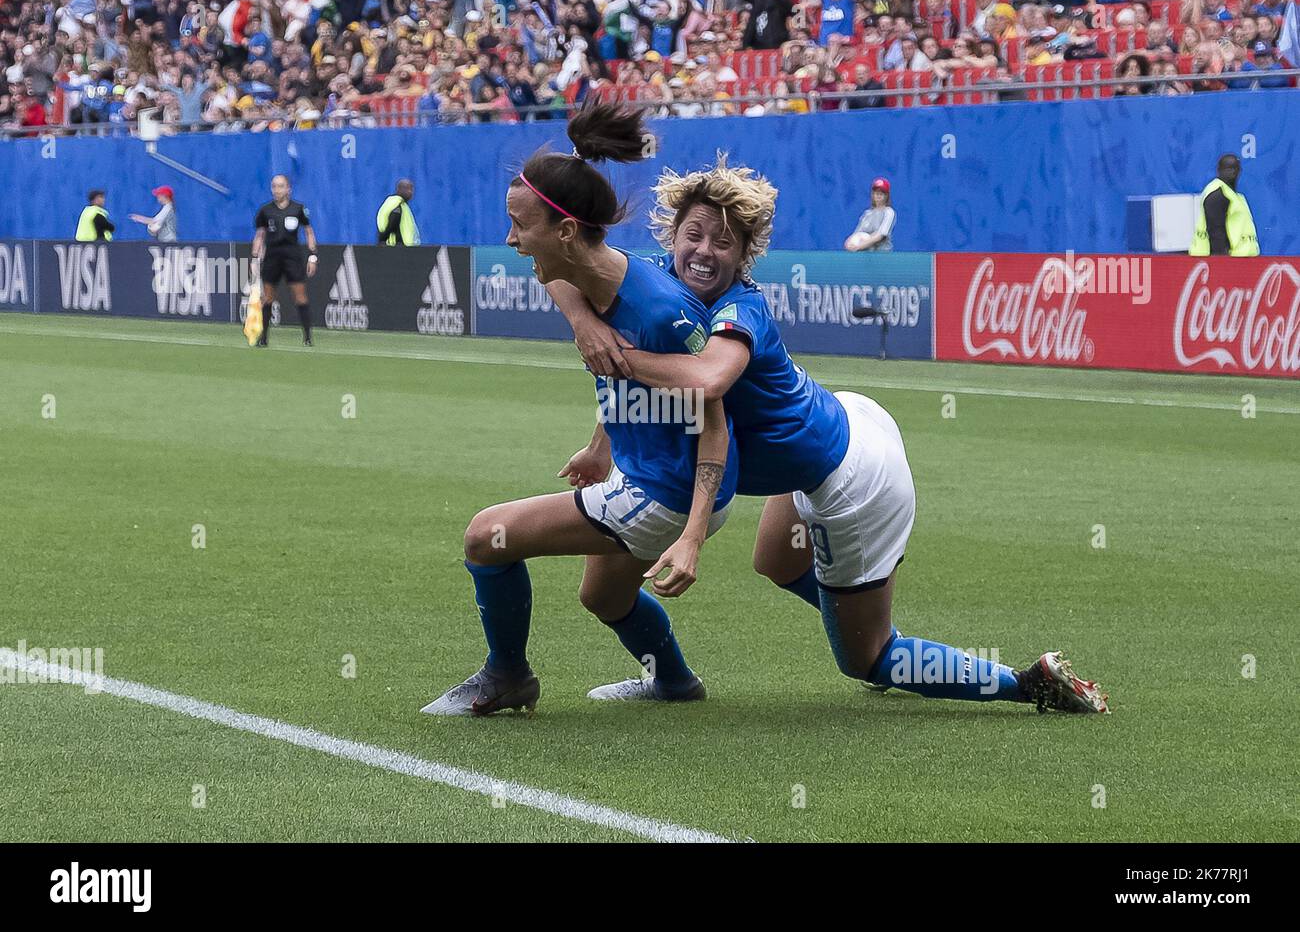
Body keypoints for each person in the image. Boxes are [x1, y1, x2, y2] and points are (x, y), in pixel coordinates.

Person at [553, 155, 1108, 713]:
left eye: (723, 242)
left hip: (852, 477)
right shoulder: (659, 280)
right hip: (843, 418)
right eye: (693, 234)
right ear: (671, 235)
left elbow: (708, 377)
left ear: (746, 256)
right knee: (775, 561)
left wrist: (613, 354)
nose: (703, 251)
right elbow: (562, 267)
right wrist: (586, 325)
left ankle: (1022, 681)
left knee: (865, 660)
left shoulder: (740, 305)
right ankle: (863, 616)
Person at [421, 104, 738, 717]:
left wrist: (694, 535)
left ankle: (507, 676)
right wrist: (602, 442)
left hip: (671, 493)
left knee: (488, 536)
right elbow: (562, 282)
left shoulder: (659, 313)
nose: (510, 239)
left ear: (566, 232)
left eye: (520, 226)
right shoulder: (588, 273)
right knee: (604, 596)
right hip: (646, 473)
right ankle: (674, 682)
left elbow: (714, 421)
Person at [252, 175, 318, 347]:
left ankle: (307, 337)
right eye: (274, 186)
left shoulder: (298, 209)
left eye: (280, 186)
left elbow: (309, 232)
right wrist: (254, 257)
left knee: (300, 296)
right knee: (268, 297)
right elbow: (260, 235)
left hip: (292, 256)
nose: (277, 190)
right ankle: (264, 337)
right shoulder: (265, 210)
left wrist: (312, 256)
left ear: (288, 189)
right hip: (272, 256)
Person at [1189, 153, 1259, 256]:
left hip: (1241, 259)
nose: (1233, 172)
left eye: (1235, 168)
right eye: (1228, 168)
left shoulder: (1235, 196)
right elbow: (1216, 233)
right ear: (1219, 170)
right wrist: (1223, 262)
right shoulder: (1217, 194)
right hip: (1225, 260)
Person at [844, 177, 896, 252]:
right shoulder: (867, 214)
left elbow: (880, 235)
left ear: (887, 195)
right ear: (872, 194)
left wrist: (859, 246)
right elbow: (857, 234)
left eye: (882, 192)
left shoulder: (889, 212)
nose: (878, 194)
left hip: (882, 255)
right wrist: (849, 243)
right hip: (865, 255)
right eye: (876, 191)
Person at [376, 179, 418, 246]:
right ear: (399, 189)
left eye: (412, 190)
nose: (411, 192)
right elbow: (392, 224)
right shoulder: (397, 205)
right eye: (408, 189)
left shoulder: (398, 204)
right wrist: (382, 239)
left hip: (400, 246)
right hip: (397, 246)